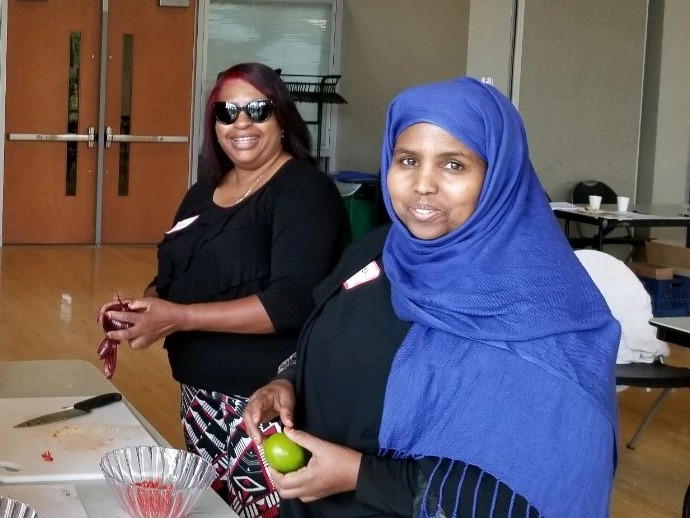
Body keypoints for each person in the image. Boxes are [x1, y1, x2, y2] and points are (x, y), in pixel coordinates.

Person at [242, 77, 619, 517]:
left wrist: (359, 474)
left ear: (498, 173)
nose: (423, 184)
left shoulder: (542, 310)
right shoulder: (380, 251)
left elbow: (536, 488)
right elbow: (322, 338)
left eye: (454, 165)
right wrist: (286, 382)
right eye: (407, 160)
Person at [101, 62, 349, 518]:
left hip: (263, 409)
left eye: (258, 109)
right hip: (201, 405)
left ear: (283, 118)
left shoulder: (303, 191)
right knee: (216, 511)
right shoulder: (204, 191)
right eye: (226, 111)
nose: (241, 123)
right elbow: (173, 273)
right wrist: (143, 308)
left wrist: (179, 317)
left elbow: (292, 302)